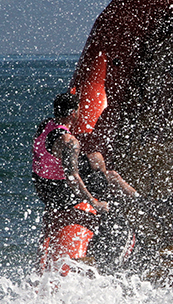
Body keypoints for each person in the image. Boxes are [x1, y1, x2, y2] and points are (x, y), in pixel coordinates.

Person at [33, 92, 139, 270]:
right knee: (111, 177)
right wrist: (94, 203)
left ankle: (127, 197)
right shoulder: (68, 141)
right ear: (74, 113)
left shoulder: (45, 125)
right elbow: (72, 177)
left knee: (96, 157)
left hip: (42, 185)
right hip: (58, 195)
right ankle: (137, 204)